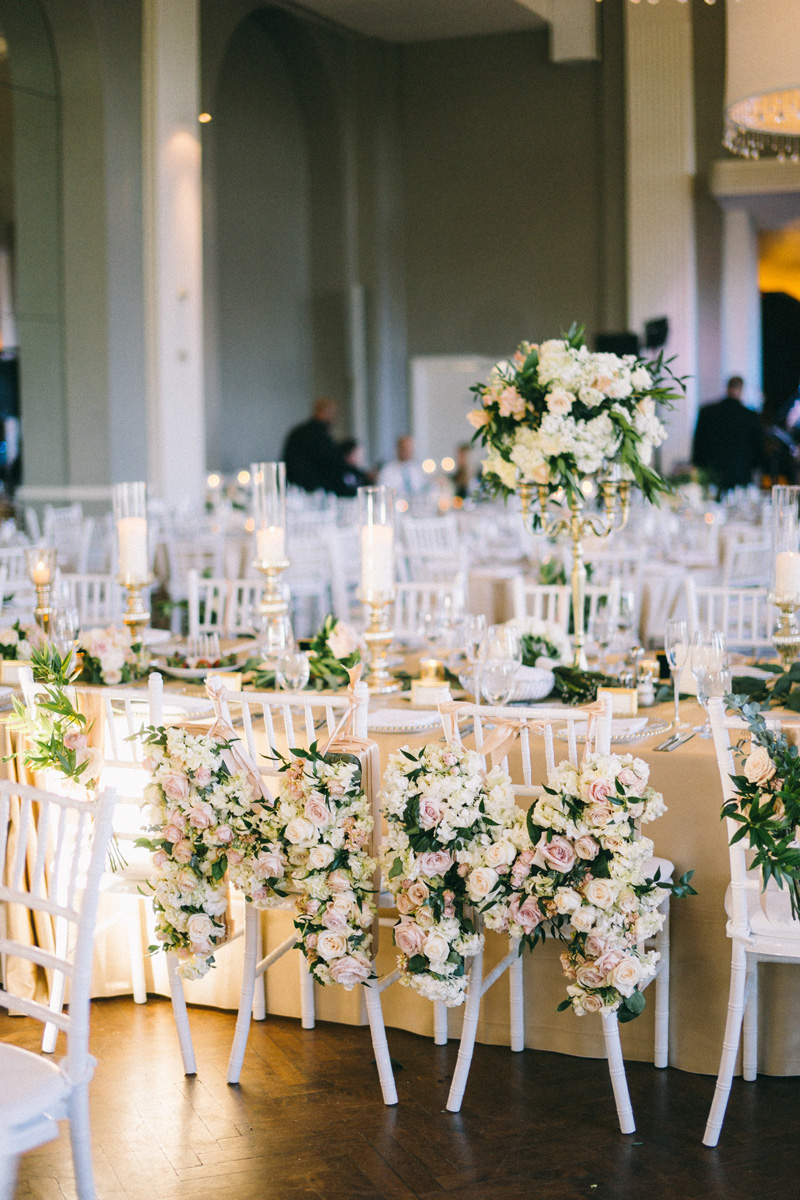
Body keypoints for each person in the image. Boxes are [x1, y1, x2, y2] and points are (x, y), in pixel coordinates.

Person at [691, 376, 766, 494]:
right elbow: (758, 452)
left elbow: (697, 447)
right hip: (740, 476)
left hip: (711, 476)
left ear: (727, 388)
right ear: (741, 390)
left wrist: (699, 467)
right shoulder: (751, 416)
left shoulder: (707, 412)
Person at [283, 398, 349, 496]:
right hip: (314, 489)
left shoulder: (299, 431)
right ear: (322, 411)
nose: (334, 417)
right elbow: (330, 462)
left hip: (295, 487)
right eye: (331, 412)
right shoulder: (318, 435)